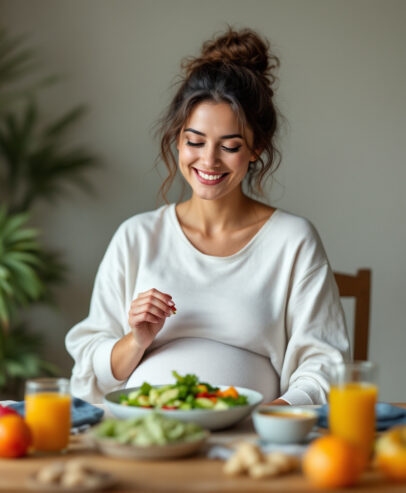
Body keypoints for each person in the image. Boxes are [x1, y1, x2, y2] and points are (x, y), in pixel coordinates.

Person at [66, 27, 350, 404]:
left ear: (256, 148)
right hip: (148, 435)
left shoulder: (292, 240)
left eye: (229, 146)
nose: (209, 161)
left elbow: (325, 364)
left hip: (249, 444)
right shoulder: (136, 236)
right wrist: (137, 340)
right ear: (177, 138)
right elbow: (89, 368)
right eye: (195, 142)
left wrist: (268, 419)